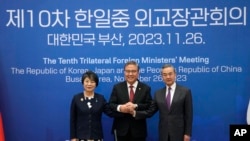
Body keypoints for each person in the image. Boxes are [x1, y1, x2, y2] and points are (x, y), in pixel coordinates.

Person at [107, 61, 152, 141]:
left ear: (138, 73)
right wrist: (120, 108)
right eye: (128, 71)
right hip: (120, 130)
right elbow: (111, 105)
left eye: (133, 71)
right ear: (124, 72)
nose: (130, 74)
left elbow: (148, 106)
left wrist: (136, 106)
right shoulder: (117, 87)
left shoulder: (145, 88)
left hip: (139, 131)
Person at [152, 64, 193, 141]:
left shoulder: (185, 92)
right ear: (162, 77)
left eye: (170, 74)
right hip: (163, 133)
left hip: (179, 133)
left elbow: (189, 115)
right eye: (165, 75)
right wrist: (135, 110)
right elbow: (150, 110)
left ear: (175, 74)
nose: (168, 77)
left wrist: (187, 133)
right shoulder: (158, 93)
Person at [70, 70, 109, 141]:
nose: (89, 84)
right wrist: (73, 137)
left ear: (96, 84)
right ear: (83, 83)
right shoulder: (76, 98)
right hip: (80, 137)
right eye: (87, 81)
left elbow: (110, 111)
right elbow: (73, 119)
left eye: (92, 82)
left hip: (97, 136)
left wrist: (122, 108)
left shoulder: (101, 98)